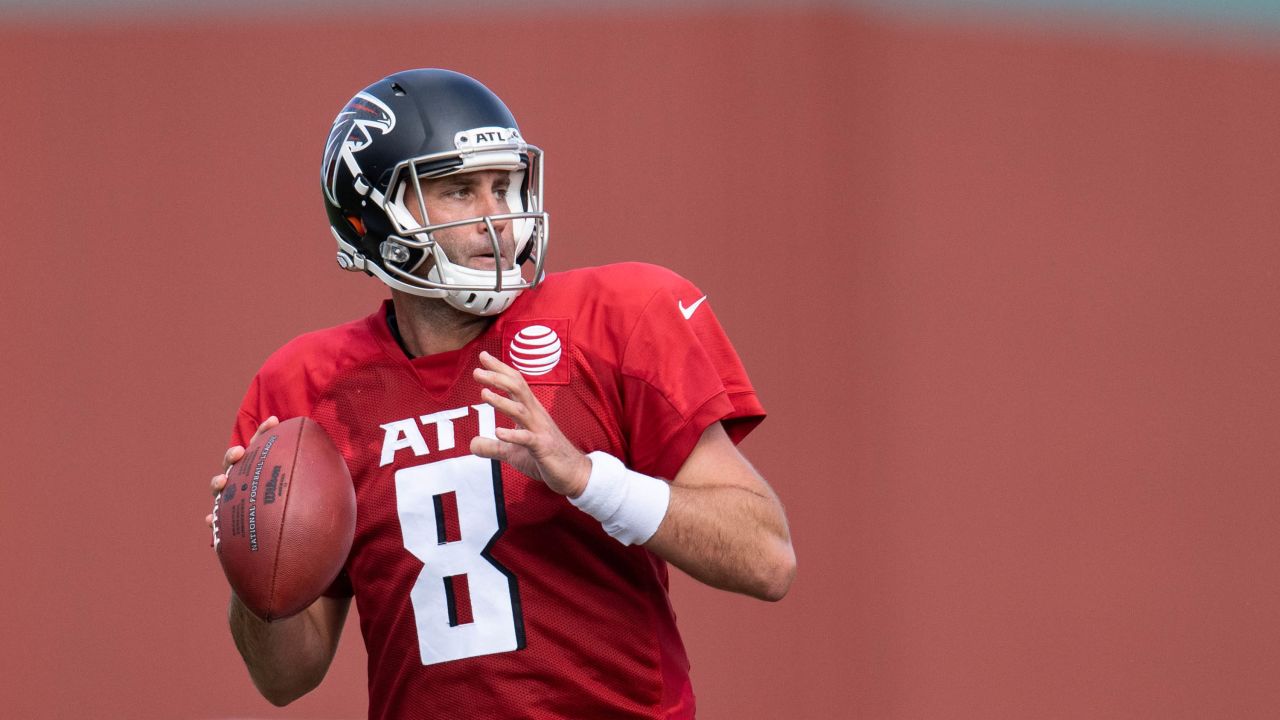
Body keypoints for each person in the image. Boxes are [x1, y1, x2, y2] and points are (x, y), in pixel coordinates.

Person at [206, 68, 795, 719]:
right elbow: (286, 679)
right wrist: (254, 561)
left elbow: (766, 558)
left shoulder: (617, 320)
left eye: (504, 186)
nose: (499, 220)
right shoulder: (306, 387)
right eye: (460, 191)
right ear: (370, 214)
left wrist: (589, 480)